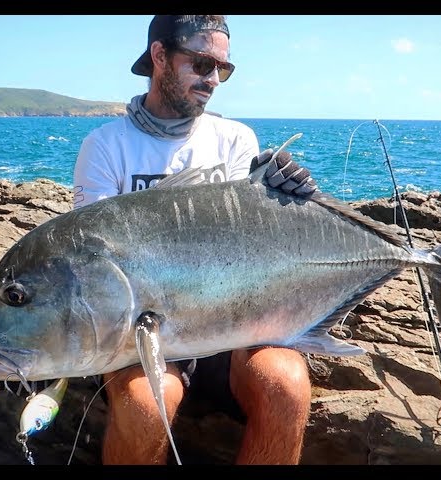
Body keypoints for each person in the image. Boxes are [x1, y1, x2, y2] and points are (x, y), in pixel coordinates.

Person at [72, 15, 318, 465]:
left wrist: (289, 200)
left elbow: (254, 246)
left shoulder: (235, 140)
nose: (212, 80)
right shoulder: (107, 146)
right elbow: (93, 262)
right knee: (148, 404)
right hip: (143, 332)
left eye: (222, 69)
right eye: (202, 64)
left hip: (233, 322)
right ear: (159, 55)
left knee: (285, 385)